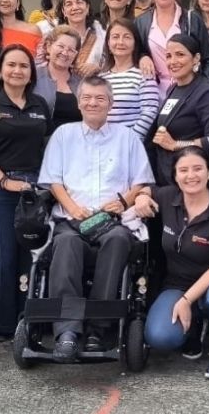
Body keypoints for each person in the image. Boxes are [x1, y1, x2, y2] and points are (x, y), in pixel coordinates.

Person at [38, 76, 155, 361]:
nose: (93, 103)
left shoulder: (127, 137)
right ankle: (67, 332)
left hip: (112, 221)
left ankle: (98, 329)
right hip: (72, 217)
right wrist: (73, 208)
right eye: (87, 97)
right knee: (65, 244)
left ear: (110, 103)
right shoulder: (63, 135)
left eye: (100, 98)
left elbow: (142, 181)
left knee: (117, 241)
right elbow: (53, 181)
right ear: (79, 103)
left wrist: (123, 201)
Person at [134, 147, 209, 381]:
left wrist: (187, 300)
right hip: (175, 285)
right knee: (160, 337)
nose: (191, 175)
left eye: (198, 168)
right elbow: (147, 189)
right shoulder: (167, 197)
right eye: (183, 170)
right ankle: (194, 325)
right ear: (175, 175)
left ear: (208, 173)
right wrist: (142, 196)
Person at [0, 44, 50, 340]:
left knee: (31, 257)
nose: (17, 70)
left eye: (24, 66)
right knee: (3, 257)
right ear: (1, 70)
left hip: (33, 189)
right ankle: (4, 327)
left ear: (31, 73)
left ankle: (30, 321)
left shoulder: (40, 105)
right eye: (11, 65)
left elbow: (47, 146)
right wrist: (4, 181)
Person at [150, 34, 209, 186]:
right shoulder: (173, 89)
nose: (173, 61)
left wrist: (176, 144)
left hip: (191, 181)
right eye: (168, 56)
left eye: (180, 55)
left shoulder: (205, 93)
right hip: (167, 178)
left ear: (196, 59)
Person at [135, 0, 209, 91]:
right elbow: (133, 54)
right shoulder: (141, 22)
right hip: (152, 94)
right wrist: (142, 57)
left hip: (188, 93)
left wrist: (201, 89)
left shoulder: (193, 19)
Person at [99, 18, 160, 138]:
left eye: (127, 37)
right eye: (115, 37)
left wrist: (128, 140)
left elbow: (150, 112)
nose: (120, 42)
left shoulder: (144, 75)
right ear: (108, 43)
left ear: (135, 43)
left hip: (131, 145)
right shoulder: (101, 78)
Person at [34, 26, 83, 134]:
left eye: (71, 50)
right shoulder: (33, 76)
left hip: (76, 144)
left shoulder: (82, 82)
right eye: (61, 46)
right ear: (48, 47)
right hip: (42, 144)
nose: (65, 53)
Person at [56, 0, 106, 72]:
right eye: (69, 4)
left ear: (87, 8)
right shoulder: (56, 37)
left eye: (79, 2)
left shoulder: (101, 34)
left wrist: (98, 68)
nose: (75, 7)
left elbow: (113, 64)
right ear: (64, 12)